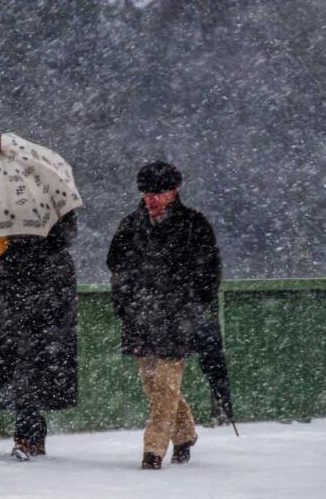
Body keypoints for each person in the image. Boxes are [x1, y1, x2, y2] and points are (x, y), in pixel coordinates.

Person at [106, 162, 224, 470]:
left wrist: (193, 304)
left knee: (165, 384)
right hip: (140, 315)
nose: (151, 199)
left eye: (157, 193)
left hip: (176, 316)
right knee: (153, 384)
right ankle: (184, 434)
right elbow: (115, 265)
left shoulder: (194, 225)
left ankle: (153, 450)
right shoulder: (131, 225)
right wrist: (124, 302)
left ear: (174, 192)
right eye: (146, 193)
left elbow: (209, 271)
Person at [0, 210, 79, 461]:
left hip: (24, 295)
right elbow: (63, 238)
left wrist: (8, 243)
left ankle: (26, 433)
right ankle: (30, 432)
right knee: (28, 364)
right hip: (37, 294)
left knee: (24, 363)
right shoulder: (52, 204)